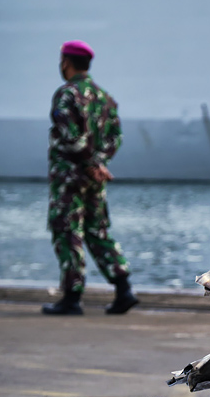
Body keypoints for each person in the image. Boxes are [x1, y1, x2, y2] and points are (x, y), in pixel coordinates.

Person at [42, 40, 139, 316]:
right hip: (95, 179)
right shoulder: (104, 97)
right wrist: (99, 164)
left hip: (70, 178)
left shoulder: (66, 95)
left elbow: (71, 137)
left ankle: (71, 298)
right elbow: (115, 138)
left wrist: (88, 164)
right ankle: (124, 289)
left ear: (66, 63)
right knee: (98, 231)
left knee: (67, 231)